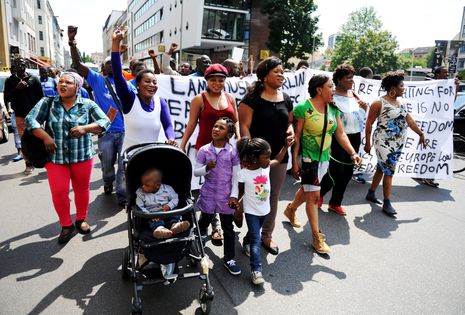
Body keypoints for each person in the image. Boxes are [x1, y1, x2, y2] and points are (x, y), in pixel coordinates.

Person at [25, 71, 110, 243]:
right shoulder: (48, 102)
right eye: (61, 82)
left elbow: (105, 121)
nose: (63, 85)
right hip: (55, 157)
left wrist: (85, 128)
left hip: (82, 156)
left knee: (81, 189)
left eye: (68, 83)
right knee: (59, 192)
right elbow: (30, 120)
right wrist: (45, 136)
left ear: (77, 87)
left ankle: (81, 219)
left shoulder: (87, 104)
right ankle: (66, 225)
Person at [284, 74, 361, 254]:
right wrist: (295, 161)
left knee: (308, 190)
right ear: (319, 89)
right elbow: (297, 137)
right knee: (313, 196)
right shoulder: (303, 108)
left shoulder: (334, 109)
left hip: (324, 159)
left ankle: (291, 209)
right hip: (308, 158)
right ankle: (316, 237)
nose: (334, 90)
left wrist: (352, 153)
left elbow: (340, 134)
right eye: (330, 86)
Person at [238, 56, 294, 255]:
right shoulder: (251, 99)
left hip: (279, 156)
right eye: (276, 71)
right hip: (255, 159)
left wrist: (291, 130)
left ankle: (266, 236)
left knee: (272, 196)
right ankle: (249, 232)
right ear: (264, 76)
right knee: (255, 195)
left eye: (283, 72)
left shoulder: (286, 98)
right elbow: (243, 127)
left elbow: (289, 122)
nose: (281, 75)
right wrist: (250, 155)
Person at [180, 63, 240, 244]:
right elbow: (191, 124)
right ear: (206, 80)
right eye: (213, 80)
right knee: (208, 186)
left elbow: (236, 122)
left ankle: (216, 224)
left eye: (221, 80)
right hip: (204, 150)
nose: (217, 83)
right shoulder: (199, 99)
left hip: (225, 150)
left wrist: (239, 141)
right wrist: (182, 145)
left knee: (224, 185)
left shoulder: (230, 98)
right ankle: (208, 222)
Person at [68, 26, 126, 205]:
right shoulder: (97, 80)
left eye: (113, 63)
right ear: (103, 67)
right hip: (105, 133)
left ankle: (122, 195)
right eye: (107, 63)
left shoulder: (127, 84)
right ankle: (108, 182)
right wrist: (72, 42)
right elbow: (78, 65)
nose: (111, 66)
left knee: (123, 167)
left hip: (125, 133)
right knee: (107, 166)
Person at [365, 71, 426, 216]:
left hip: (398, 143)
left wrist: (421, 133)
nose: (404, 88)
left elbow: (409, 120)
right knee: (389, 170)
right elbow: (369, 124)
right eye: (401, 85)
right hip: (383, 142)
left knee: (382, 168)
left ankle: (371, 193)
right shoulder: (378, 103)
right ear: (393, 88)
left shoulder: (400, 103)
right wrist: (367, 144)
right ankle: (387, 203)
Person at [235, 137, 293, 285]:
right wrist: (235, 205)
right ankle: (256, 270)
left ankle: (246, 241)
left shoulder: (266, 167)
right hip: (251, 212)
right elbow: (239, 192)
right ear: (254, 158)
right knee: (256, 240)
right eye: (266, 157)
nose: (269, 159)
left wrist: (286, 147)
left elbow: (278, 160)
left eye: (269, 156)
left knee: (253, 235)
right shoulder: (244, 173)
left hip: (265, 210)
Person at [110, 27, 176, 151]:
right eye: (147, 81)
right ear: (137, 85)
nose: (152, 85)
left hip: (152, 157)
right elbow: (118, 74)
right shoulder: (129, 99)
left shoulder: (161, 102)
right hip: (131, 159)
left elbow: (168, 126)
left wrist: (171, 138)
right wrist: (116, 43)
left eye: (154, 82)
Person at [319, 64, 368, 215]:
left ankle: (335, 203)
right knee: (336, 170)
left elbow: (359, 116)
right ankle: (319, 195)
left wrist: (364, 108)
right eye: (348, 78)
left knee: (348, 172)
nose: (351, 81)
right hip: (337, 136)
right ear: (339, 80)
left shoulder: (354, 95)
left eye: (352, 78)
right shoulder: (331, 95)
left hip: (355, 136)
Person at [194, 117, 241, 275]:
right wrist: (206, 168)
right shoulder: (204, 150)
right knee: (203, 223)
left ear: (229, 134)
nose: (215, 129)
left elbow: (236, 176)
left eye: (221, 128)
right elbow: (196, 171)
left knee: (228, 228)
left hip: (225, 197)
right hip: (208, 194)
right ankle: (196, 251)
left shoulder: (233, 152)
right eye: (215, 126)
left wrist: (234, 196)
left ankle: (229, 258)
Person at [3, 57, 44, 175]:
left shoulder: (34, 79)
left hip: (35, 115)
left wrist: (43, 113)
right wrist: (17, 88)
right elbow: (7, 98)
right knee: (24, 141)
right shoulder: (10, 81)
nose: (20, 66)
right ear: (14, 66)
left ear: (26, 65)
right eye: (17, 64)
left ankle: (41, 160)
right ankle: (28, 164)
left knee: (39, 137)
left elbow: (41, 97)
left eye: (22, 64)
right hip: (20, 115)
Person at [136, 168, 190, 239]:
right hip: (153, 214)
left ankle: (175, 225)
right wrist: (149, 215)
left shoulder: (167, 189)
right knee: (152, 222)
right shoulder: (140, 193)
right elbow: (140, 206)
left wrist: (169, 206)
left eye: (146, 185)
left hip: (168, 211)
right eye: (142, 184)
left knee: (175, 213)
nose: (143, 187)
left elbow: (175, 198)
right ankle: (160, 229)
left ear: (157, 185)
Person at [352, 66, 373, 184]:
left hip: (359, 124)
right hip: (354, 124)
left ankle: (356, 171)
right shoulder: (355, 89)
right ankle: (355, 172)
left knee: (357, 149)